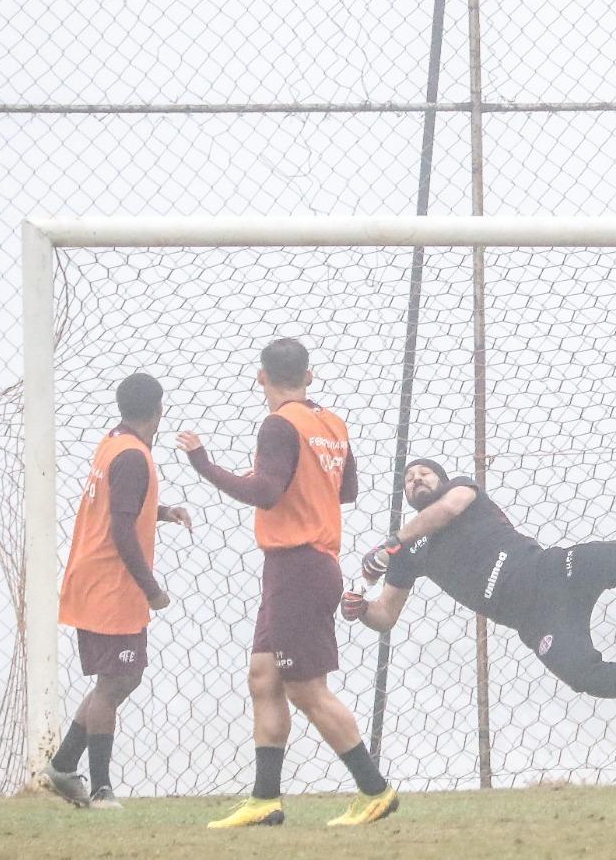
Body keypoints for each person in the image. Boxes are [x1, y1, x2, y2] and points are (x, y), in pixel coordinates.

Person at [177, 337, 397, 828]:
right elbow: (349, 490)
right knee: (263, 676)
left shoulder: (279, 424)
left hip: (299, 563)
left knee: (306, 689)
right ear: (310, 376)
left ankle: (375, 790)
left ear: (262, 378)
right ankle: (265, 800)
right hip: (298, 565)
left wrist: (203, 464)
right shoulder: (330, 422)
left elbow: (266, 492)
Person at [345, 458, 616, 701]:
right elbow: (385, 617)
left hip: (551, 570)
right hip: (534, 619)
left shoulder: (461, 493)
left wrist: (391, 542)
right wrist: (361, 608)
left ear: (444, 479)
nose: (416, 479)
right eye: (409, 478)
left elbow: (445, 511)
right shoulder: (406, 553)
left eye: (424, 472)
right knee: (584, 677)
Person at [41, 372, 192, 810]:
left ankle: (64, 764)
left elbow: (125, 507)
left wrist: (163, 512)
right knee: (115, 681)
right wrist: (152, 589)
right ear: (159, 411)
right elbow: (121, 528)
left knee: (122, 677)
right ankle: (102, 789)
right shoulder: (131, 455)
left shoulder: (114, 443)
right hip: (111, 586)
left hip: (97, 582)